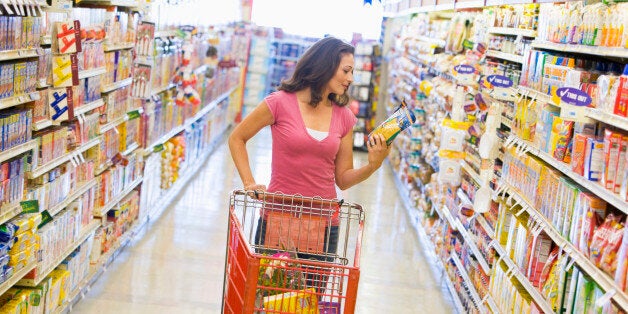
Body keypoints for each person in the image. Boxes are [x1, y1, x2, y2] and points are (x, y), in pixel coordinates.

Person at [228, 36, 389, 265]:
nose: (351, 79)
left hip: (323, 224)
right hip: (278, 216)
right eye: (346, 71)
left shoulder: (344, 117)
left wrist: (374, 165)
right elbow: (237, 138)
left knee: (312, 299)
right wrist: (248, 182)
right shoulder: (280, 103)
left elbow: (342, 179)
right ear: (326, 66)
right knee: (269, 295)